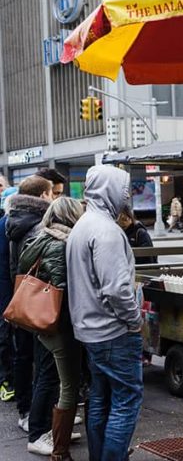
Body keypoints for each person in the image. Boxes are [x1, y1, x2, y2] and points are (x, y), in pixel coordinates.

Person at [67, 165, 143, 461]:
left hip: (90, 331)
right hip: (113, 332)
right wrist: (135, 321)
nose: (126, 196)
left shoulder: (83, 226)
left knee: (100, 398)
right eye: (123, 189)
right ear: (110, 190)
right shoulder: (107, 231)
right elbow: (116, 289)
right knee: (125, 401)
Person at [19, 197, 85, 461]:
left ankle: (52, 434)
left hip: (40, 319)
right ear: (71, 216)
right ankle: (55, 446)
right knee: (63, 382)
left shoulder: (41, 237)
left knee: (51, 376)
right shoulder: (61, 243)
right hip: (57, 322)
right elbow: (64, 288)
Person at [5, 175, 55, 453]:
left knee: (27, 359)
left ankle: (32, 417)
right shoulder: (36, 226)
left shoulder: (14, 222)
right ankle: (38, 426)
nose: (53, 198)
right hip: (38, 300)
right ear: (43, 196)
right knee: (43, 364)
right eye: (51, 193)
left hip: (22, 299)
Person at [0, 186, 18, 402]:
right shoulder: (5, 227)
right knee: (5, 337)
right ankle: (6, 380)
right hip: (7, 292)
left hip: (11, 291)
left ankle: (8, 380)